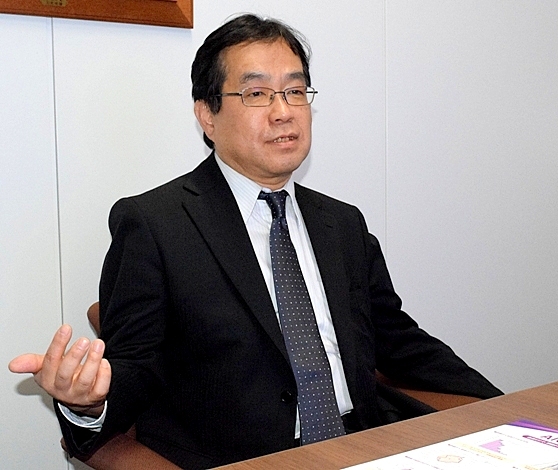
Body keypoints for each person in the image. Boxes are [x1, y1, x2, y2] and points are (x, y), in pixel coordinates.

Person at [9, 14, 501, 469]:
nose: (284, 112)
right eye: (257, 94)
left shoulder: (341, 223)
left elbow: (402, 343)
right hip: (243, 458)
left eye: (295, 91)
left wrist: (507, 408)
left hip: (362, 444)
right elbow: (135, 369)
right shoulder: (154, 225)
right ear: (207, 114)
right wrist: (87, 403)